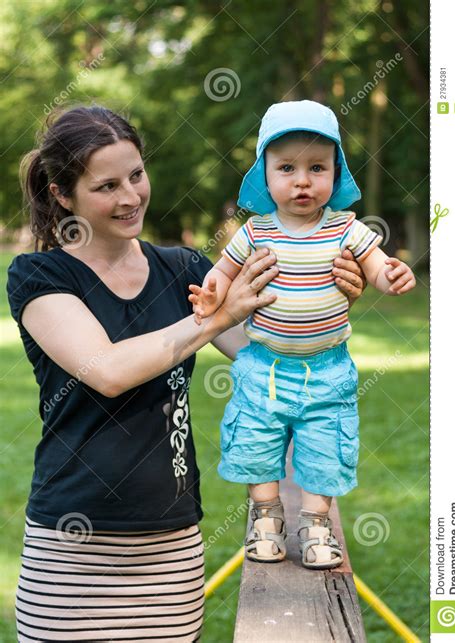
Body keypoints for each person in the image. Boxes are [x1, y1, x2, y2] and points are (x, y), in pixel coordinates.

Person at [6, 104, 365, 641]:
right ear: (62, 194)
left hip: (173, 546)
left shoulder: (183, 271)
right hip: (73, 551)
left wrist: (325, 305)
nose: (130, 197)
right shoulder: (41, 276)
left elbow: (261, 356)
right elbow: (106, 369)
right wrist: (216, 317)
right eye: (107, 186)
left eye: (136, 175)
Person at [188, 100, 416, 570]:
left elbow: (374, 264)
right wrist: (212, 296)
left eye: (317, 167)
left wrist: (389, 276)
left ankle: (316, 523)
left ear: (336, 172)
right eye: (287, 167)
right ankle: (266, 517)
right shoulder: (256, 231)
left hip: (327, 371)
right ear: (265, 175)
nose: (303, 180)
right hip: (264, 367)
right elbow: (223, 272)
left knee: (326, 446)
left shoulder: (344, 227)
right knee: (255, 442)